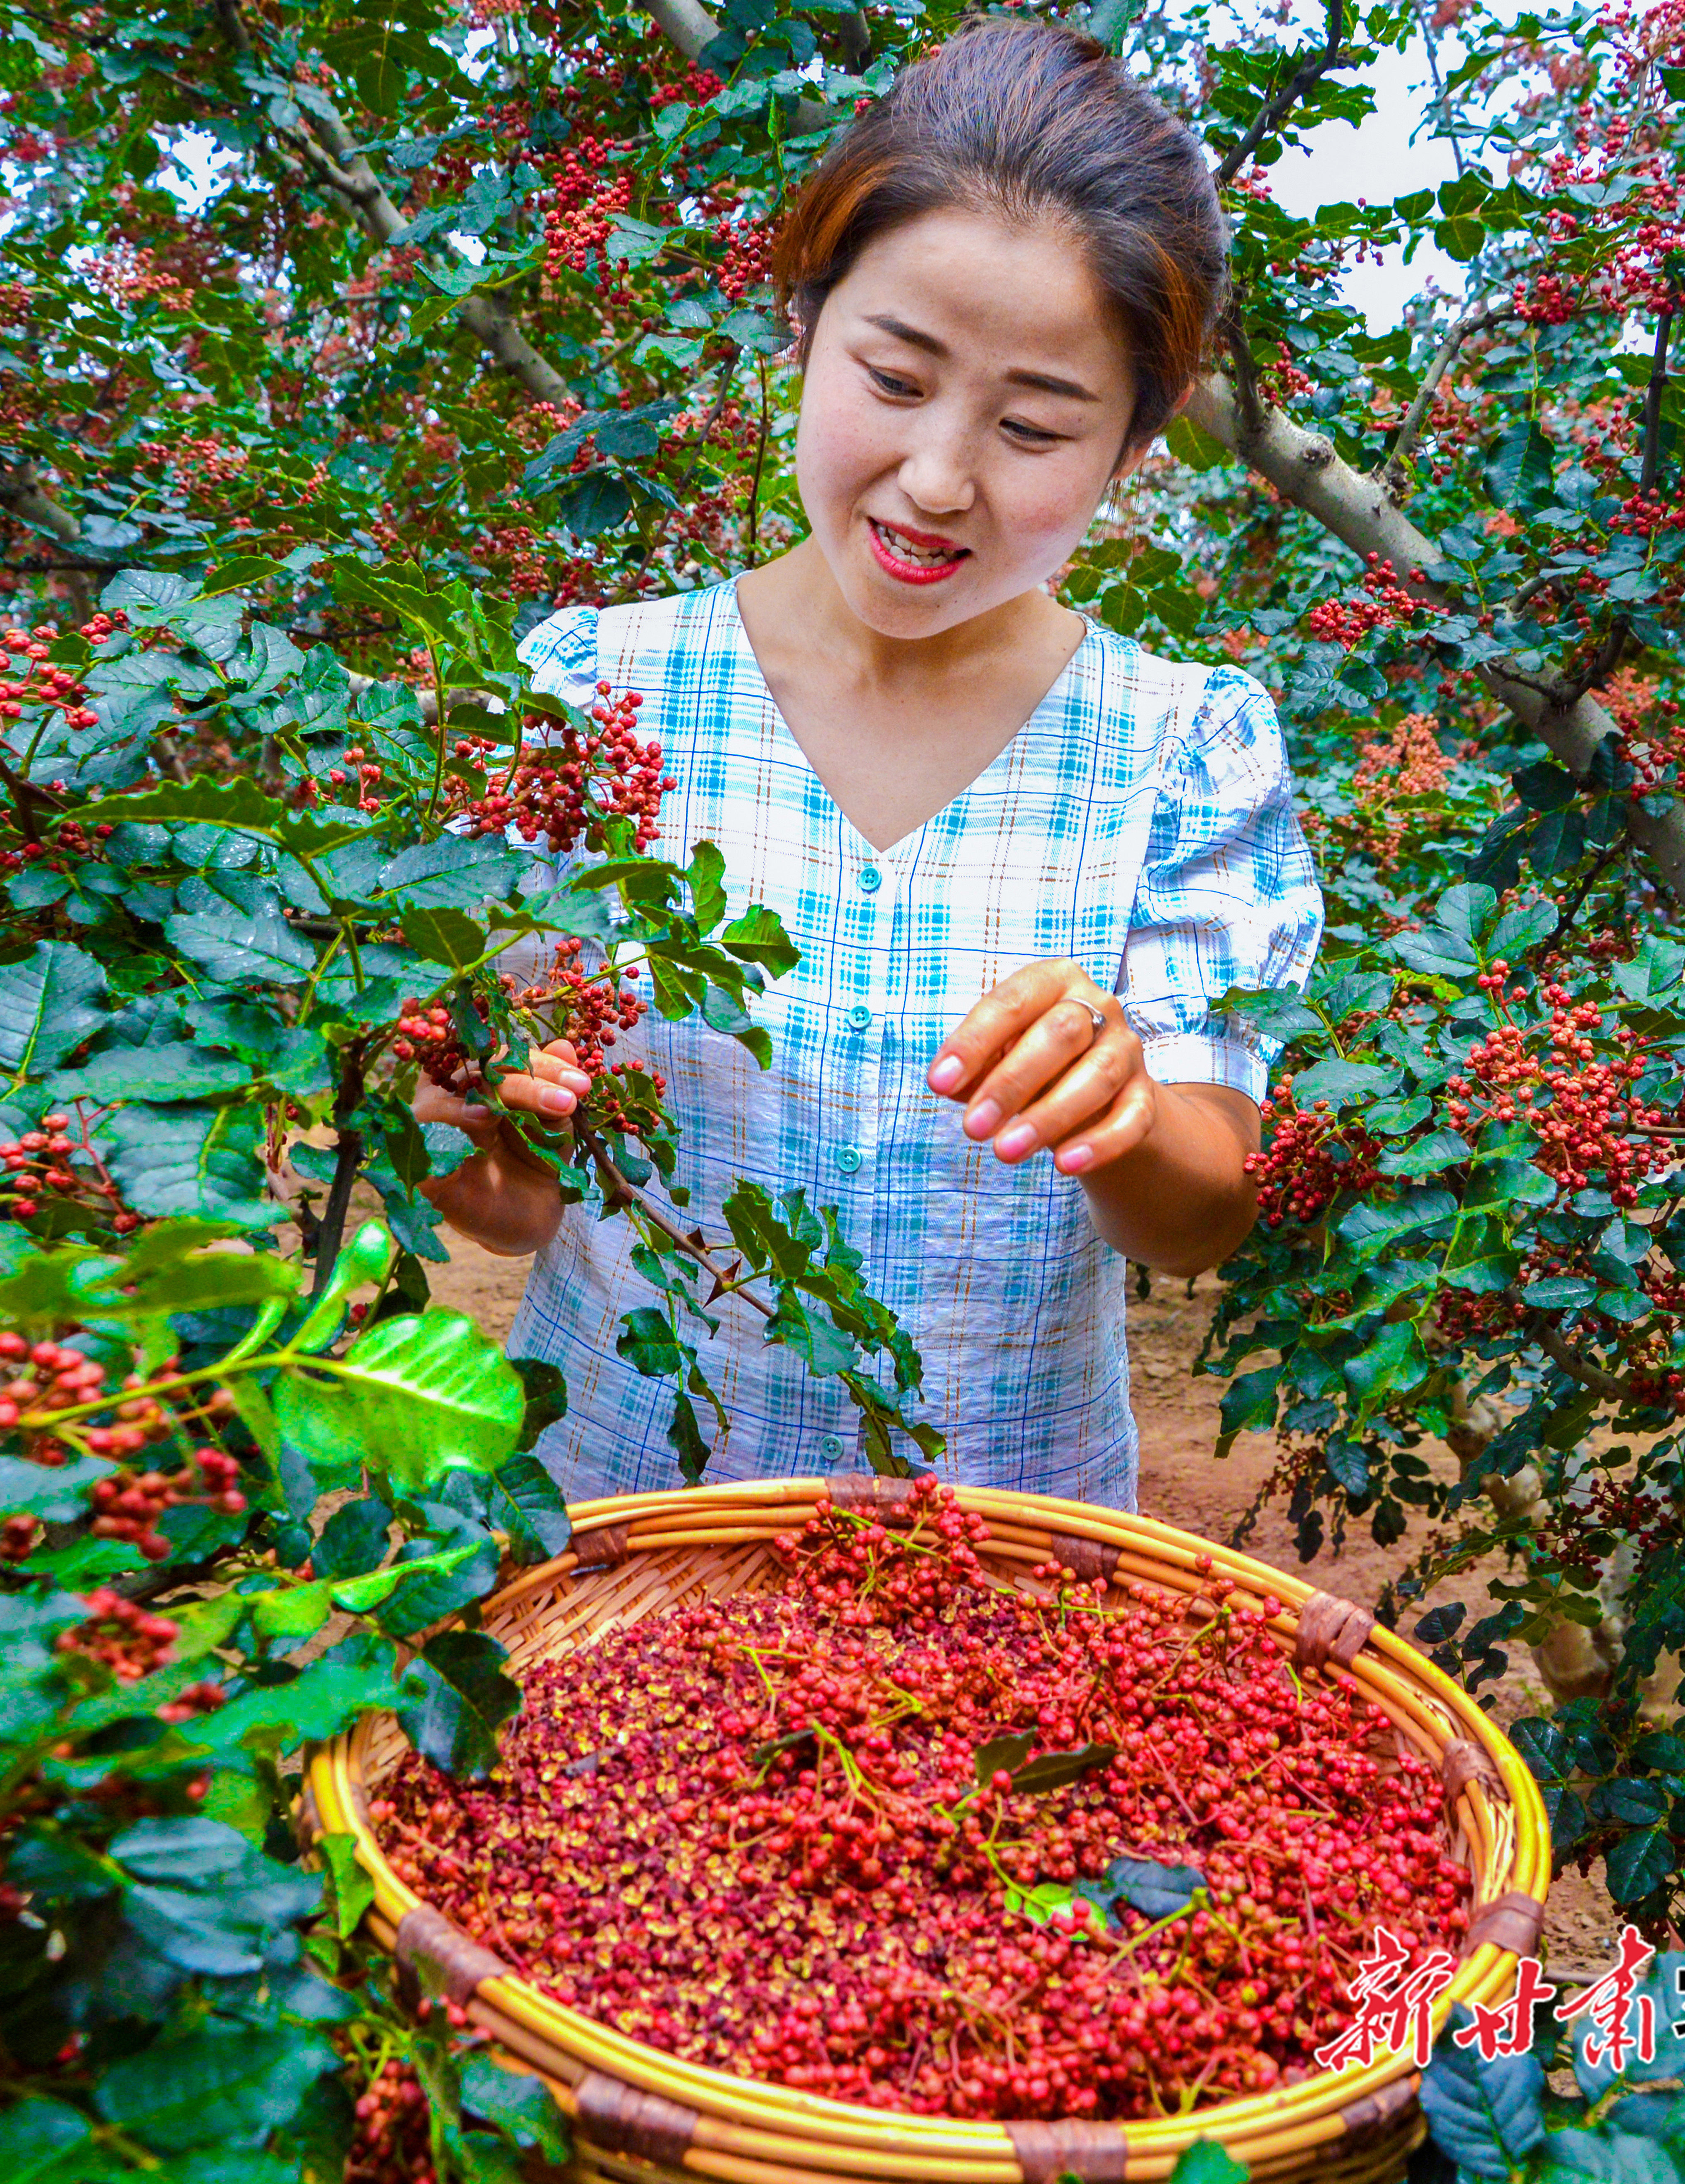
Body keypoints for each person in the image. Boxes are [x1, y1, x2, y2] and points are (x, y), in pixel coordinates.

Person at [418, 15, 1323, 1509]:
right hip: (626, 1517)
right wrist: (450, 1123)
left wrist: (1125, 1111)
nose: (938, 477)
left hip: (1004, 1550)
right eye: (895, 378)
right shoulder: (593, 695)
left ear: (1132, 452)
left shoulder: (1181, 745)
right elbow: (519, 1196)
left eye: (1036, 426)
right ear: (803, 327)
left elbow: (1200, 1213)